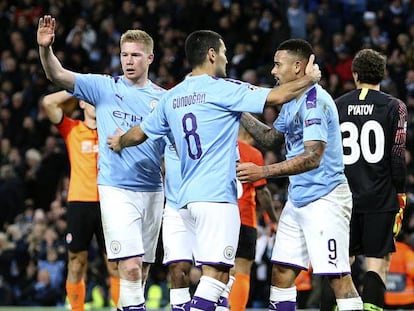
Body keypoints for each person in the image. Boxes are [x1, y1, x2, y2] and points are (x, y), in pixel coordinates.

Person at [107, 30, 320, 311]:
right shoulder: (223, 88)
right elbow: (277, 96)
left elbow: (139, 134)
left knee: (189, 278)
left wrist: (119, 141)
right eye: (223, 54)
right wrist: (310, 79)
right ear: (211, 55)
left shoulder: (172, 97)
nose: (226, 59)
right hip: (216, 197)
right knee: (219, 275)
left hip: (181, 200)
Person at [37, 15, 166, 310]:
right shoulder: (103, 87)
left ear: (150, 57)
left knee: (141, 271)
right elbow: (57, 75)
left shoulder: (164, 99)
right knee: (129, 266)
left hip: (152, 190)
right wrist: (46, 50)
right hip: (115, 189)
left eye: (135, 55)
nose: (129, 60)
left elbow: (173, 148)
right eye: (124, 55)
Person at [236, 38, 363, 311]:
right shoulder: (293, 100)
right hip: (299, 198)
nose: (273, 70)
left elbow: (312, 157)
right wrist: (237, 109)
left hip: (325, 198)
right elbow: (271, 138)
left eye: (277, 64)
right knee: (281, 272)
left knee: (338, 276)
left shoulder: (315, 102)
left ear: (297, 67)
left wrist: (263, 171)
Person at [335, 48, 408, 311]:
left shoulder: (337, 105)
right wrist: (400, 193)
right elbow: (398, 156)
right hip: (380, 197)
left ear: (354, 74)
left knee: (339, 264)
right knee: (377, 262)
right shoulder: (394, 106)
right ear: (383, 74)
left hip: (342, 197)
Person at [42, 90, 119, 310]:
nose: (95, 103)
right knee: (76, 263)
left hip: (109, 201)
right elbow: (48, 102)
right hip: (79, 203)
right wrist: (76, 88)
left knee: (114, 265)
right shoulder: (72, 129)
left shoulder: (113, 131)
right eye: (90, 99)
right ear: (82, 103)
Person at [228, 125, 277, 311]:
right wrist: (273, 218)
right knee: (241, 270)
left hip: (219, 217)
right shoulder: (253, 153)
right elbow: (262, 191)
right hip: (244, 218)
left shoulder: (218, 147)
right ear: (249, 133)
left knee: (218, 271)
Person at [384, 229, 414, 309]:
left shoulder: (385, 253)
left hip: (388, 298)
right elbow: (412, 271)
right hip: (406, 299)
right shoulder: (407, 253)